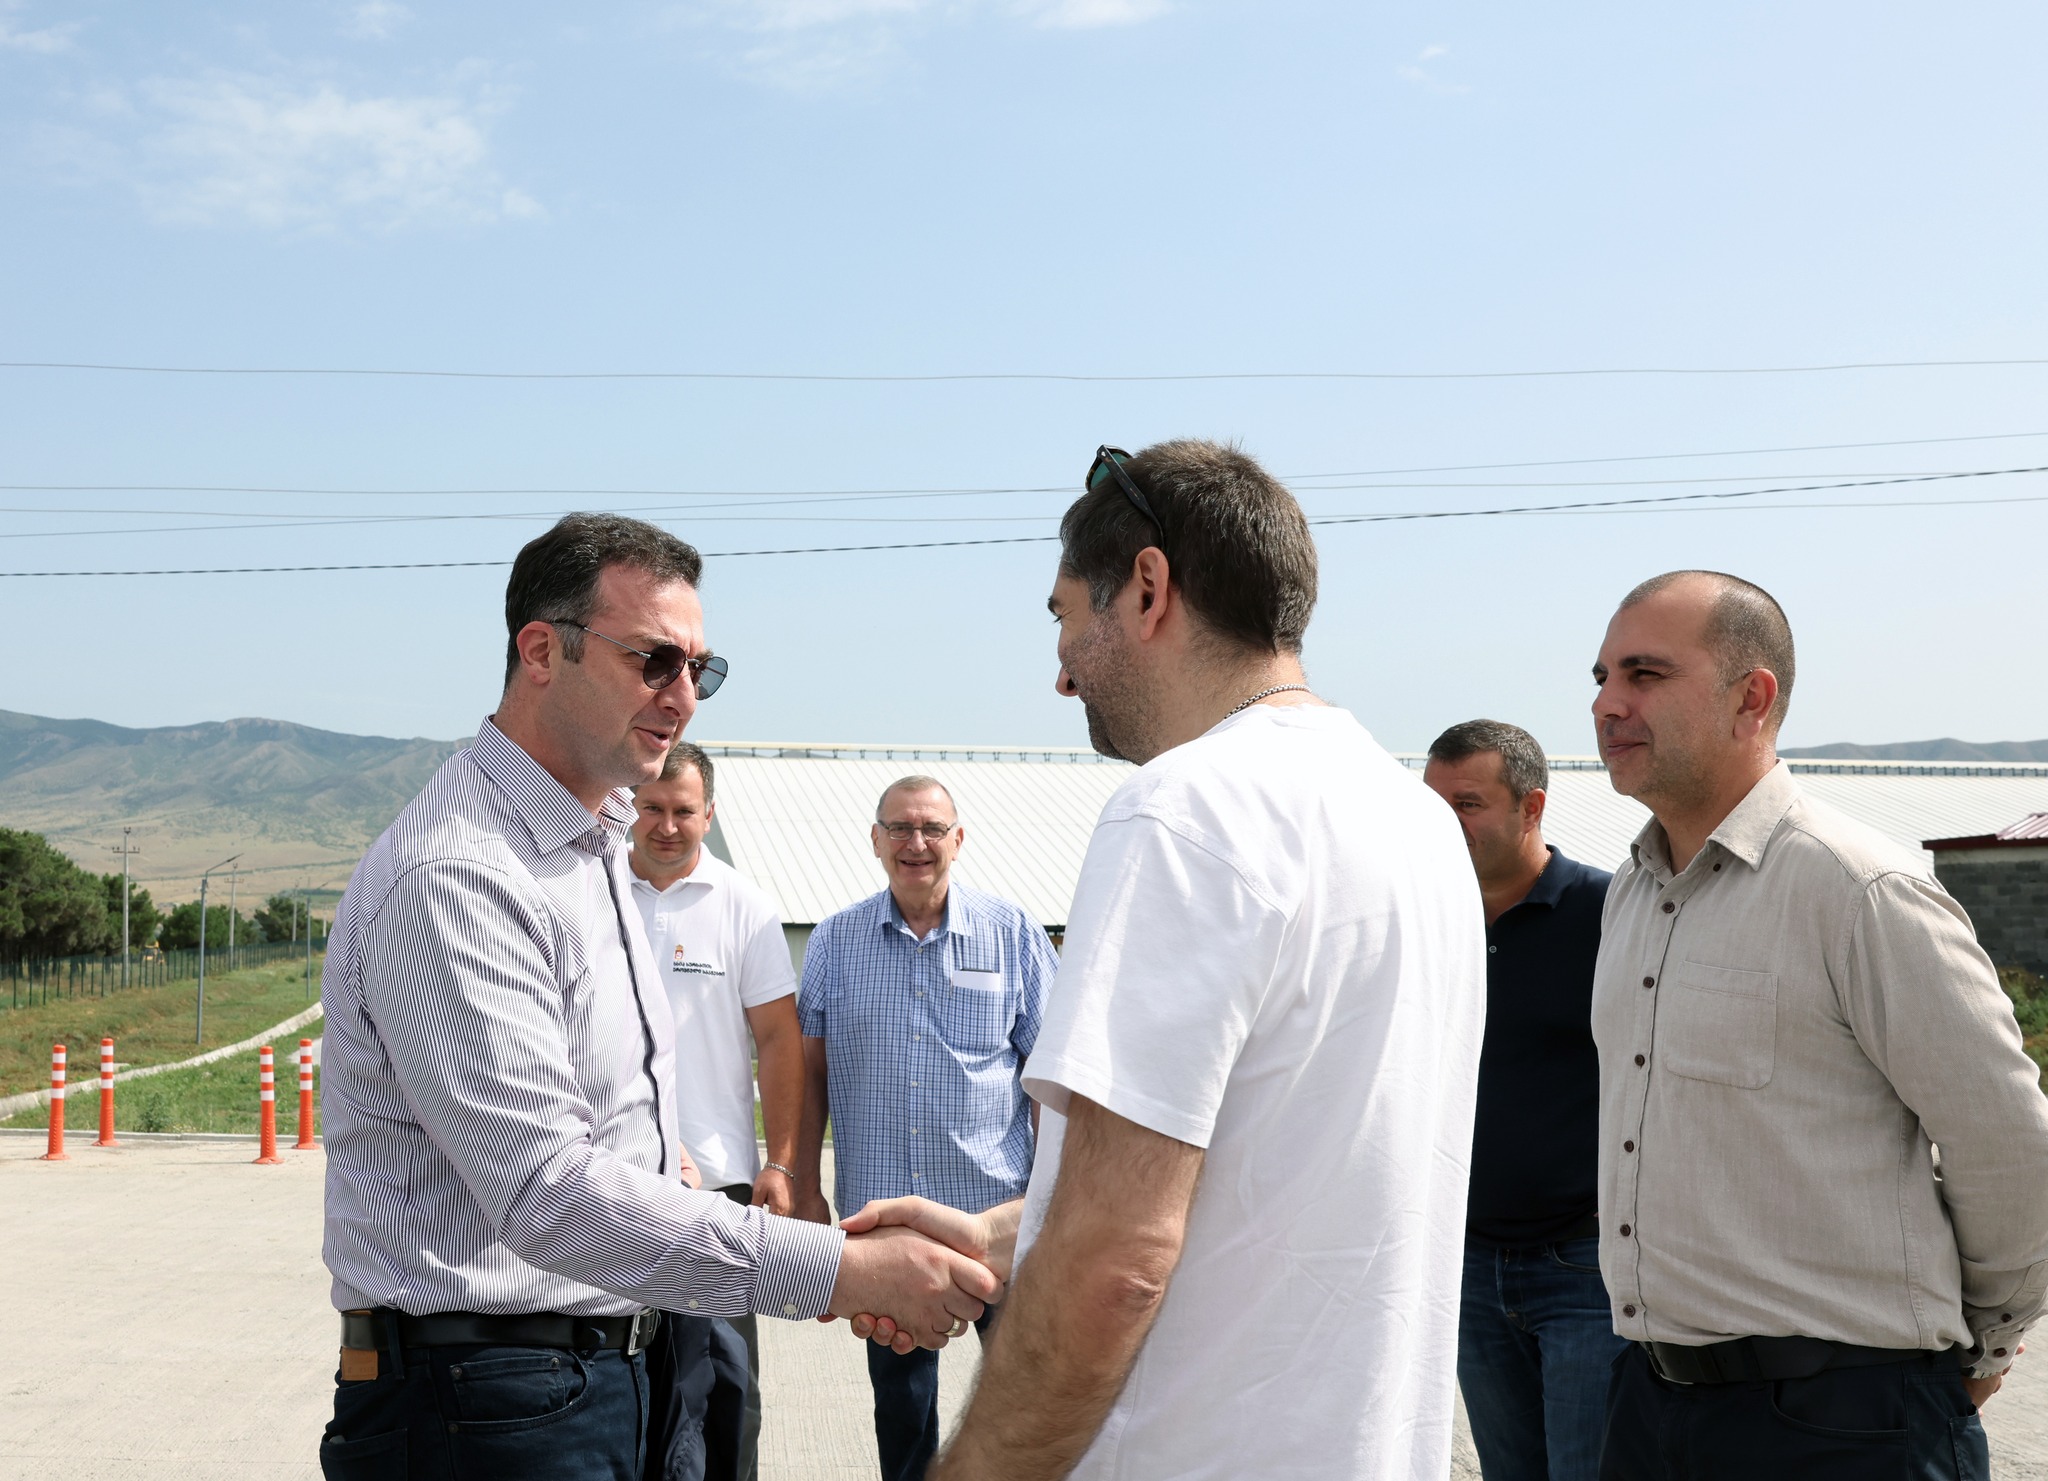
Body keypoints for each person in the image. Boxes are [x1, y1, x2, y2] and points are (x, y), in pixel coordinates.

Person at [844, 440, 1487, 1481]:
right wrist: (1009, 1234)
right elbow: (1275, 1163)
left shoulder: (1182, 809)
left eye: (1064, 615)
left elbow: (1117, 1261)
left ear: (1146, 587)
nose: (1061, 670)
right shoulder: (1414, 820)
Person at [317, 512, 1001, 1480]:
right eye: (654, 661)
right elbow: (546, 1191)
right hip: (491, 1401)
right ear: (541, 651)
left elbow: (617, 1117)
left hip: (613, 1360)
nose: (682, 696)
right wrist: (839, 1270)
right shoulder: (462, 874)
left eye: (700, 671)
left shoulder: (588, 846)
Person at [1588, 569, 2048, 1479]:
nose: (1607, 703)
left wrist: (1980, 1346)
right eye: (1601, 677)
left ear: (1750, 698)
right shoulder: (1631, 894)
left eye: (1644, 674)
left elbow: (2010, 1150)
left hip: (1844, 1423)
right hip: (1649, 1405)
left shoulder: (1858, 890)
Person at [794, 774, 1057, 1481]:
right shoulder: (834, 941)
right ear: (876, 840)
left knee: (1023, 1399)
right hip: (885, 1227)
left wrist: (1048, 1199)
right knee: (904, 1409)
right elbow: (808, 1073)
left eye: (932, 828)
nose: (917, 842)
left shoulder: (1013, 934)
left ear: (958, 839)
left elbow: (1050, 1075)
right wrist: (804, 1187)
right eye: (900, 828)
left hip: (997, 1217)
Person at [1423, 719, 1624, 1481]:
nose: (1445, 823)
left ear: (1531, 806)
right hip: (1468, 1260)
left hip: (1585, 1265)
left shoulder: (1611, 913)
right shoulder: (1426, 923)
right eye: (1433, 804)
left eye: (1467, 803)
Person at [628, 739, 809, 1481]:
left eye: (684, 811)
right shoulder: (595, 892)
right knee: (627, 1385)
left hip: (718, 1184)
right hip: (611, 1181)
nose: (667, 826)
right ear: (630, 807)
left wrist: (780, 1162)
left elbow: (779, 1040)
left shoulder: (744, 907)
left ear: (710, 814)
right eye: (653, 808)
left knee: (722, 1382)